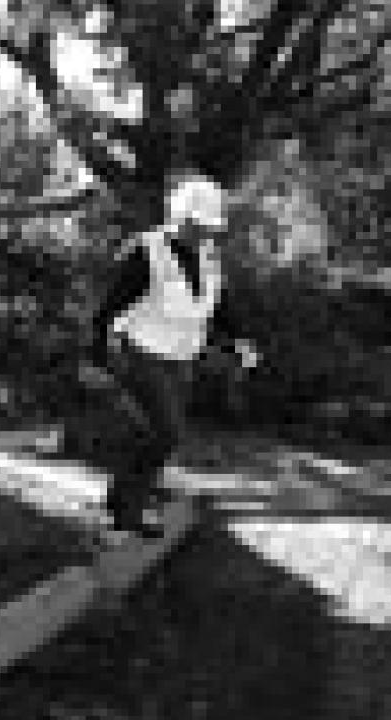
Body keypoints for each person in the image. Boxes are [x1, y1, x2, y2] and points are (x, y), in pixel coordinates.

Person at [91, 170, 230, 537]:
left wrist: (239, 340)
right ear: (180, 215)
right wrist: (96, 355)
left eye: (208, 225)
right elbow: (108, 307)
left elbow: (216, 307)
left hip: (180, 359)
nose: (204, 231)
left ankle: (121, 501)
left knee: (153, 434)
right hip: (139, 351)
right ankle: (129, 512)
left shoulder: (208, 257)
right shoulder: (146, 251)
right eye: (197, 223)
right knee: (168, 433)